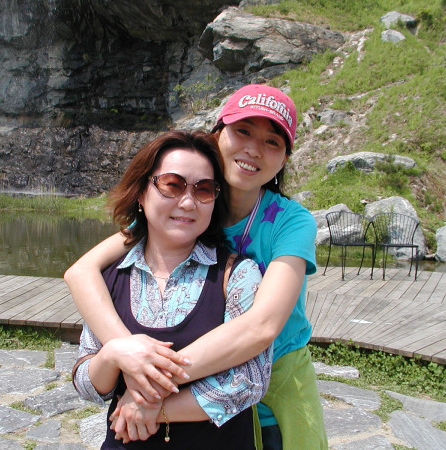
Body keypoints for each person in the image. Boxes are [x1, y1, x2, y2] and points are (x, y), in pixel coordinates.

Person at [65, 85, 327, 449]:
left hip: (276, 376)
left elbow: (262, 325)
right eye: (243, 131)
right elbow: (81, 272)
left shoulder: (290, 222)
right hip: (195, 382)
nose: (253, 149)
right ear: (217, 135)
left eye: (272, 142)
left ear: (284, 159)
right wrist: (123, 352)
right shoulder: (181, 210)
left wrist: (150, 380)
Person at [71, 130, 271, 449]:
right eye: (172, 185)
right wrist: (113, 353)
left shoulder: (237, 275)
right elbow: (87, 383)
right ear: (141, 192)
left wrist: (152, 408)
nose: (188, 202)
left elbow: (250, 380)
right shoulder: (110, 277)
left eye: (203, 189)